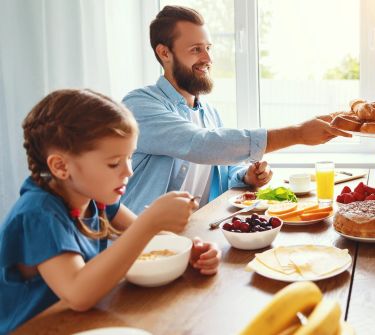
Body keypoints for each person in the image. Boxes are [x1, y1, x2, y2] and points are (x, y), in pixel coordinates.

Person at [0, 89, 221, 333]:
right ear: (61, 166)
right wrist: (149, 222)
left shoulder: (95, 198)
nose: (128, 171)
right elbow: (78, 293)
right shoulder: (38, 214)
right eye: (114, 163)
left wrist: (188, 252)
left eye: (129, 158)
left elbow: (153, 242)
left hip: (82, 323)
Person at [121, 5, 350, 213]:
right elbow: (200, 144)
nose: (208, 58)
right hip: (144, 242)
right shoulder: (139, 105)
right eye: (196, 49)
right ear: (164, 53)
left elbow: (225, 169)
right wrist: (297, 133)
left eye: (208, 48)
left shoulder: (209, 113)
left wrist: (246, 176)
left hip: (196, 233)